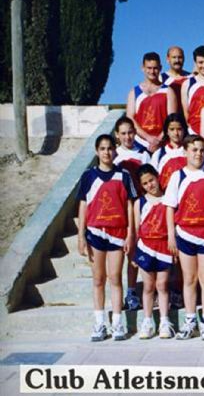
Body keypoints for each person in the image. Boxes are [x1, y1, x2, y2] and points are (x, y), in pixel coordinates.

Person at [77, 134, 136, 342]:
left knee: (115, 277)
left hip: (118, 233)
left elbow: (129, 206)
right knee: (98, 279)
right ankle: (100, 323)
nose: (106, 152)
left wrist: (130, 234)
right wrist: (81, 235)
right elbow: (83, 205)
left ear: (115, 150)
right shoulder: (88, 176)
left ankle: (118, 322)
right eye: (102, 148)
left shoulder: (124, 175)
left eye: (110, 148)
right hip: (95, 232)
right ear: (96, 151)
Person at [164, 134, 204, 340]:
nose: (198, 154)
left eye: (202, 150)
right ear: (185, 151)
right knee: (189, 279)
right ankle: (190, 319)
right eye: (194, 150)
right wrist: (171, 235)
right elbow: (170, 208)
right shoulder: (178, 176)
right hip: (185, 233)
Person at [113, 116, 150, 311]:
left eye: (131, 132)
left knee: (136, 250)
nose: (128, 137)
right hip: (119, 209)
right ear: (117, 135)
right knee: (121, 252)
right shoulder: (113, 154)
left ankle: (137, 291)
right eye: (124, 133)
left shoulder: (143, 154)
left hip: (139, 207)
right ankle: (124, 292)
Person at [133, 164, 174, 339]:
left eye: (151, 180)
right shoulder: (139, 202)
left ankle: (165, 321)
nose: (150, 185)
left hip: (164, 246)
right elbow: (136, 228)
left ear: (157, 177)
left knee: (162, 285)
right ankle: (148, 321)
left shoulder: (169, 199)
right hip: (145, 247)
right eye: (145, 183)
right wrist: (133, 253)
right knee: (148, 286)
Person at [126, 52, 178, 153]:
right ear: (143, 68)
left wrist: (159, 139)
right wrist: (148, 138)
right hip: (140, 143)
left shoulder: (168, 91)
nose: (152, 71)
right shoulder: (134, 92)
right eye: (149, 68)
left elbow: (172, 120)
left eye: (155, 68)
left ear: (160, 68)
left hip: (163, 143)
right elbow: (130, 118)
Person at [181, 46, 204, 135]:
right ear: (195, 63)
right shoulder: (187, 84)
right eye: (200, 62)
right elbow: (186, 112)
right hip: (194, 131)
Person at [150, 114, 187, 191]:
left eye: (179, 129)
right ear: (166, 131)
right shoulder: (159, 154)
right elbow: (152, 178)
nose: (176, 133)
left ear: (184, 130)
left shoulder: (190, 151)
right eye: (172, 129)